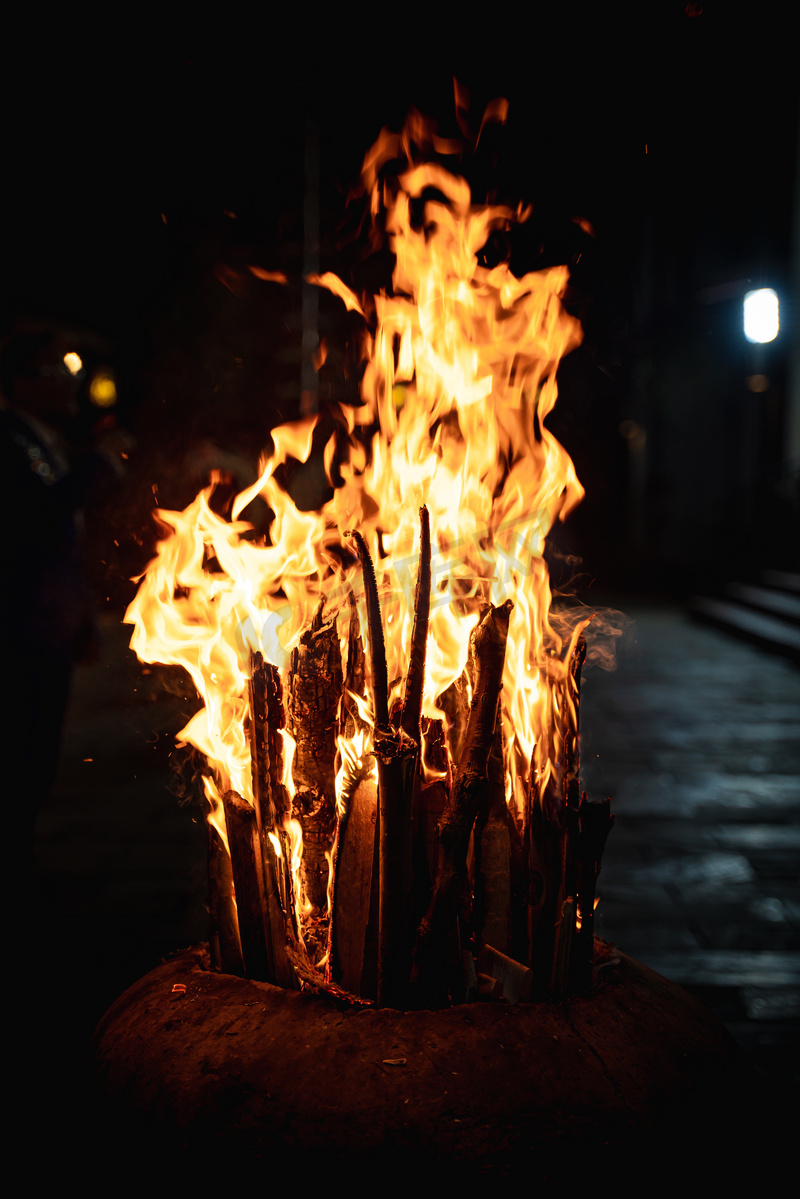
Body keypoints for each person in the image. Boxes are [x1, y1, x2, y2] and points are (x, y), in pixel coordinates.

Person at [0, 328, 129, 859]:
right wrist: (100, 465)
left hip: (47, 632)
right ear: (22, 382)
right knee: (18, 769)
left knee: (35, 768)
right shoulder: (8, 441)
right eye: (58, 371)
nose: (71, 383)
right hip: (18, 635)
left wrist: (81, 621)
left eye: (74, 370)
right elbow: (30, 522)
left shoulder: (40, 440)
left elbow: (62, 550)